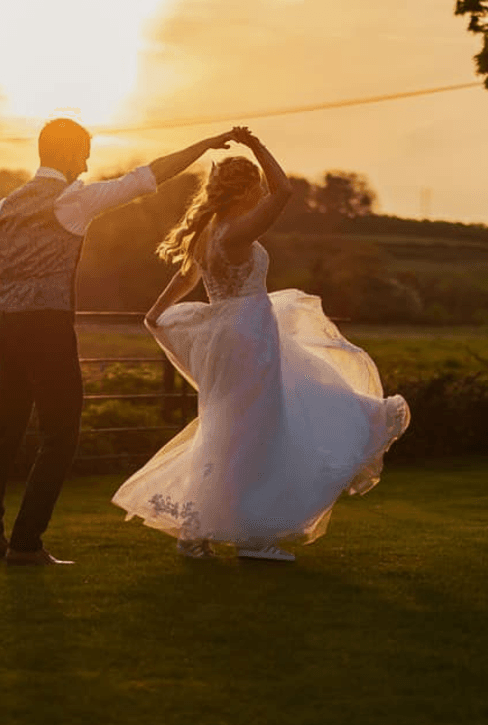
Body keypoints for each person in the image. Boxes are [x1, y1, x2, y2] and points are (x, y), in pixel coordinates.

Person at [112, 127, 410, 561]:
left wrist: (154, 312)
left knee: (231, 429)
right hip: (248, 334)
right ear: (246, 189)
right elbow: (284, 190)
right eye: (255, 185)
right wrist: (254, 144)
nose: (260, 192)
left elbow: (185, 277)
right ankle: (252, 537)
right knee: (257, 431)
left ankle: (199, 533)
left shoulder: (209, 232)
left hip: (227, 335)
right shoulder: (236, 231)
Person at [0, 117, 237, 565]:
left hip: (8, 327)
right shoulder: (72, 201)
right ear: (70, 152)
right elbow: (148, 177)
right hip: (48, 326)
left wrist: (5, 322)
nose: (89, 161)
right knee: (61, 434)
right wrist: (207, 145)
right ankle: (26, 544)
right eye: (86, 151)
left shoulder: (6, 205)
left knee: (5, 435)